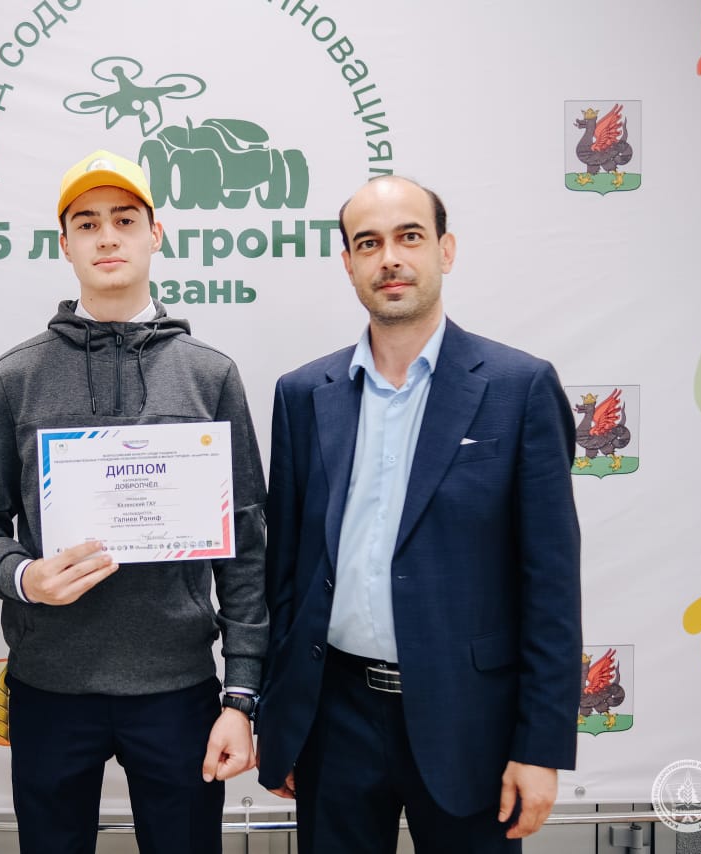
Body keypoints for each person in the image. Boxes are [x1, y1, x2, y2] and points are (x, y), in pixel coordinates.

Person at [0, 150, 267, 854]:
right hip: (49, 687)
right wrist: (23, 576)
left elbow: (245, 548)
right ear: (64, 245)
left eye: (124, 220)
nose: (107, 237)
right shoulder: (17, 375)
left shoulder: (210, 375)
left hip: (179, 687)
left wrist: (241, 693)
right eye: (86, 223)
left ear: (156, 234)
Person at [256, 176, 582, 853]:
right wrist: (282, 720)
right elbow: (284, 576)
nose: (390, 259)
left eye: (409, 237)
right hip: (333, 716)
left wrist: (541, 746)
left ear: (445, 249)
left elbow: (551, 585)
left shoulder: (519, 388)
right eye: (368, 243)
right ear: (348, 263)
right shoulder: (303, 394)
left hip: (471, 721)